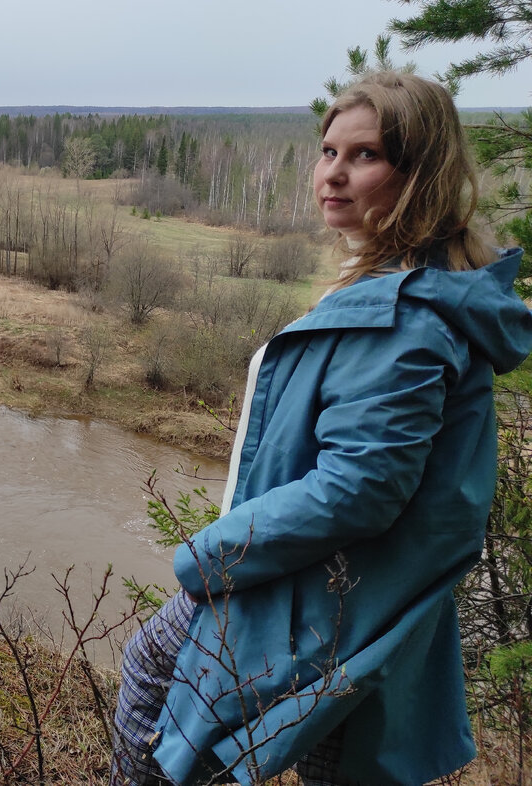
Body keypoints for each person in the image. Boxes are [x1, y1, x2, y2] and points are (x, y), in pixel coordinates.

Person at [111, 71, 532, 786]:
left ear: (420, 174)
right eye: (328, 150)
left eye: (364, 155)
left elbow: (359, 488)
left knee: (158, 693)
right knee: (334, 757)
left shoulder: (403, 320)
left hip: (313, 590)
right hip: (352, 589)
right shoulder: (403, 289)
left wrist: (207, 559)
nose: (333, 174)